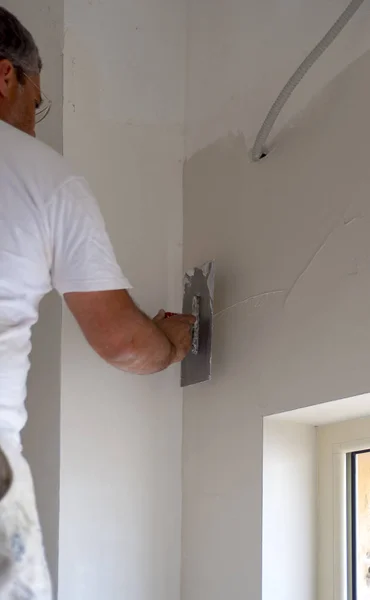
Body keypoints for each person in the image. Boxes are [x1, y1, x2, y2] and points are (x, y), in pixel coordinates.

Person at [0, 7, 194, 599]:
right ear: (6, 76)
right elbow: (123, 343)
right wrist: (173, 343)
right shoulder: (40, 175)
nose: (34, 122)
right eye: (37, 103)